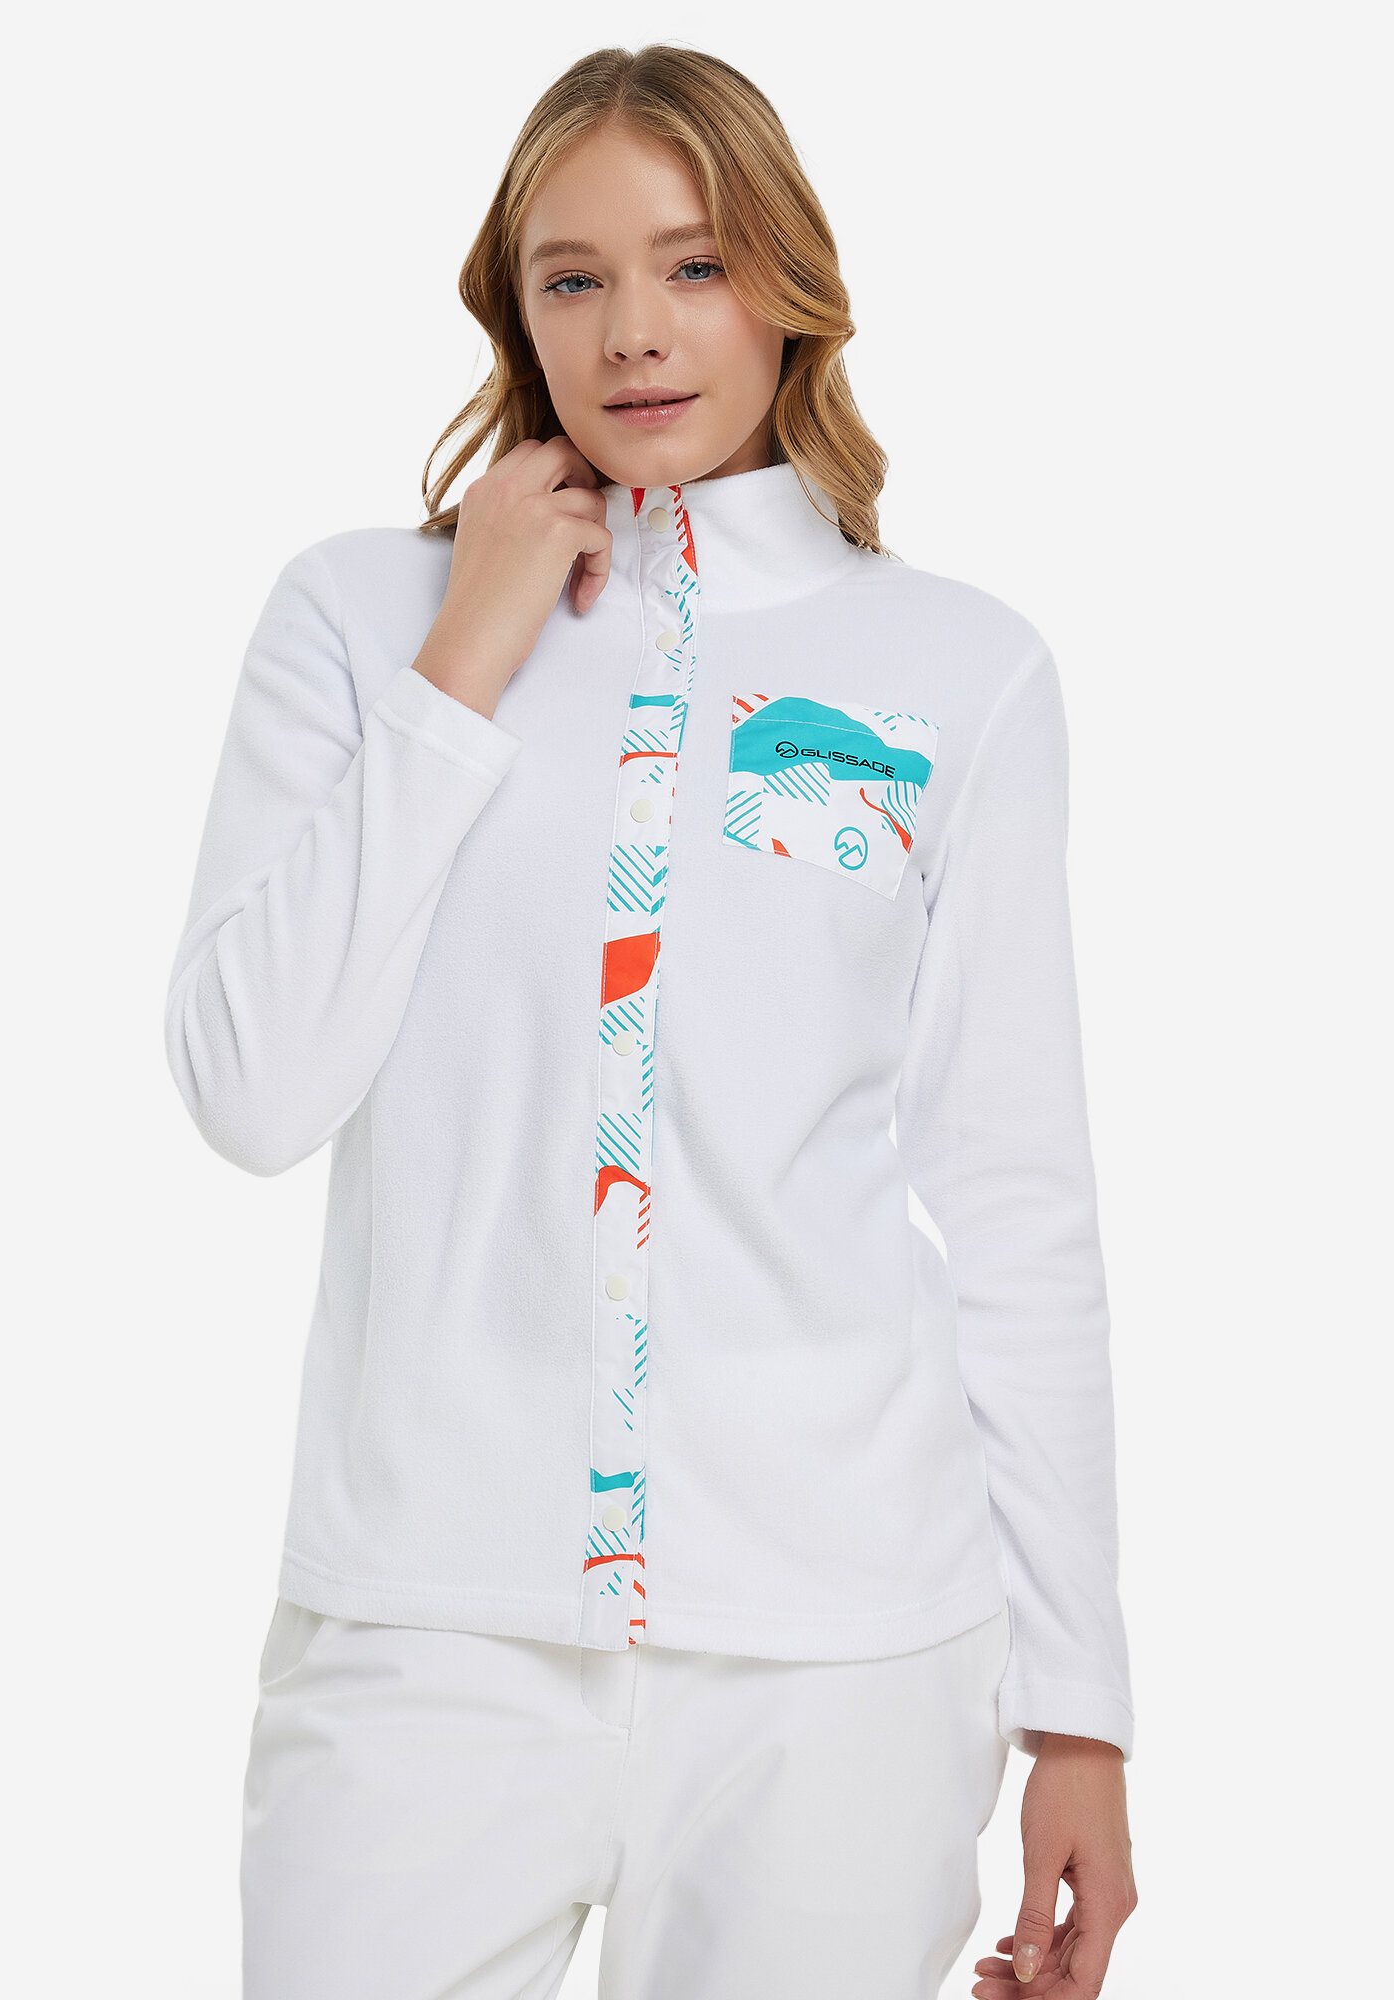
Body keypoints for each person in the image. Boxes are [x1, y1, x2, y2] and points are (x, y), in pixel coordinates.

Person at [163, 41, 1137, 2000]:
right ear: (514, 310)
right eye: (574, 277)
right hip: (423, 1622)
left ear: (786, 282)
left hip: (843, 1653)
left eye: (694, 265)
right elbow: (251, 1089)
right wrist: (471, 648)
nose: (635, 331)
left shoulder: (958, 669)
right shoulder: (359, 620)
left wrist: (1080, 1713)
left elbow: (1014, 1204)